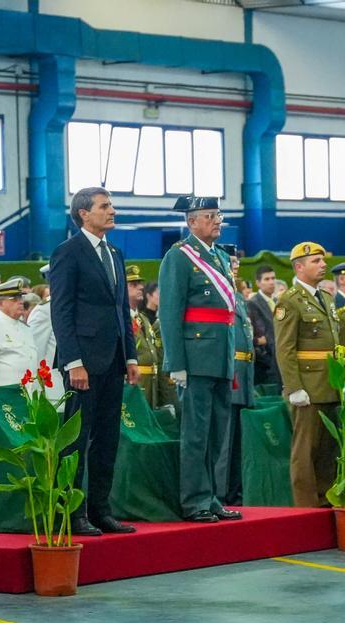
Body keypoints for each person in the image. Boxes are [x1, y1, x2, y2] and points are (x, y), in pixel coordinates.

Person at [49, 187, 138, 535]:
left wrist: (130, 355)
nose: (112, 211)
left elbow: (122, 311)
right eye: (105, 206)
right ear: (84, 214)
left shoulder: (114, 253)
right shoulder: (67, 253)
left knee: (107, 439)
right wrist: (73, 362)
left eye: (111, 205)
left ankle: (101, 510)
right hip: (82, 363)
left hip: (113, 359)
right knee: (76, 441)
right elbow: (62, 311)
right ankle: (71, 513)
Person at [157, 195, 241, 523]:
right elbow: (170, 312)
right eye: (210, 216)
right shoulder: (179, 257)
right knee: (195, 433)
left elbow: (227, 314)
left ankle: (211, 497)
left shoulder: (219, 256)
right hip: (194, 357)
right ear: (192, 222)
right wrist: (176, 362)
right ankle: (194, 501)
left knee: (217, 432)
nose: (218, 221)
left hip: (220, 356)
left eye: (219, 215)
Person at [274, 241, 339, 508]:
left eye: (323, 260)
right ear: (299, 267)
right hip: (308, 387)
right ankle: (305, 506)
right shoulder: (290, 301)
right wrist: (294, 387)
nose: (323, 265)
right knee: (305, 450)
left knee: (328, 451)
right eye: (316, 261)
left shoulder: (326, 298)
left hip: (331, 384)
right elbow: (285, 348)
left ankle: (325, 501)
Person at [216, 291, 255, 506]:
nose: (235, 267)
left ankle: (234, 491)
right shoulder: (220, 291)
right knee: (224, 442)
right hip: (229, 372)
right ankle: (220, 494)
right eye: (231, 263)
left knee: (237, 442)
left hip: (243, 373)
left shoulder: (237, 295)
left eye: (237, 263)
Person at [126, 264, 172, 408]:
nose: (140, 287)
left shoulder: (143, 320)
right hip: (134, 383)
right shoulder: (120, 319)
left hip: (151, 384)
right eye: (134, 284)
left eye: (140, 283)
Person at [26, 265, 63, 403]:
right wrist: (37, 391)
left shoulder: (77, 305)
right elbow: (36, 352)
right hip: (55, 387)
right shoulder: (44, 311)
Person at [246, 265, 279, 389]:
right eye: (267, 279)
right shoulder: (252, 304)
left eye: (273, 278)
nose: (271, 282)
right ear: (258, 283)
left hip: (278, 360)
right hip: (265, 364)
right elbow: (254, 335)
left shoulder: (277, 302)